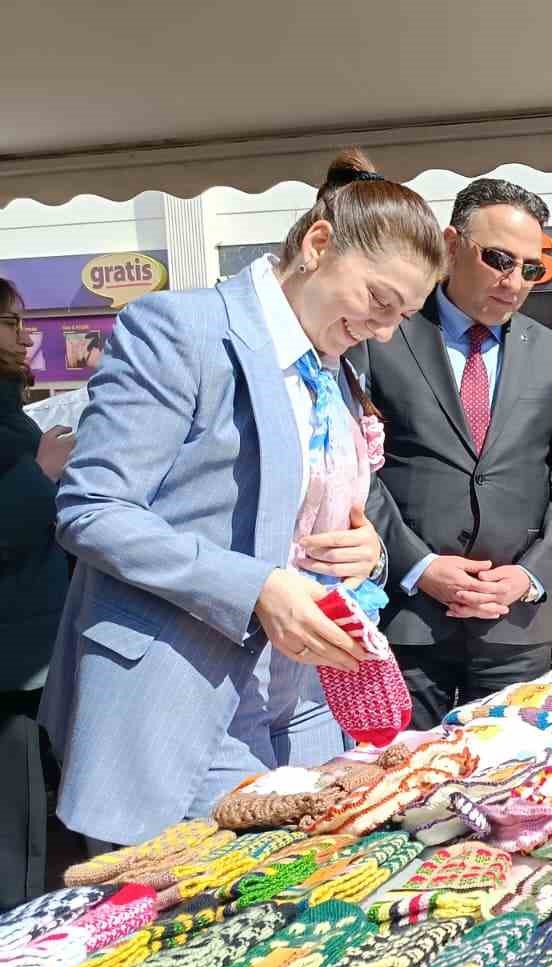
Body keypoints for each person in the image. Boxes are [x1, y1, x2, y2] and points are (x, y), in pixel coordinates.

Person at [41, 149, 443, 848]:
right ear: (318, 245)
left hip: (306, 698)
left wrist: (367, 552)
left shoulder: (334, 368)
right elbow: (93, 509)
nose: (384, 330)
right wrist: (256, 587)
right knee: (199, 907)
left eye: (401, 316)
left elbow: (318, 510)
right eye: (380, 302)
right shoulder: (180, 330)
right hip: (183, 697)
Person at [355, 177, 552, 731]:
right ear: (451, 245)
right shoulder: (384, 334)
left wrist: (530, 575)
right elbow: (355, 470)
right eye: (499, 260)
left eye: (531, 269)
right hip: (407, 618)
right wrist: (420, 566)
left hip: (514, 625)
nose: (514, 283)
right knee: (401, 776)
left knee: (512, 772)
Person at [1, 278, 71, 904]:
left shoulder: (12, 408)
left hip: (32, 639)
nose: (25, 337)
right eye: (10, 324)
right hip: (11, 657)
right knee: (14, 819)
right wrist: (42, 473)